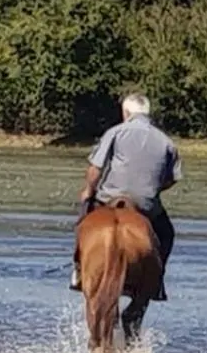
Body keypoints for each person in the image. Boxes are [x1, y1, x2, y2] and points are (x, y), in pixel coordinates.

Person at [69, 93, 182, 300]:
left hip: (109, 197)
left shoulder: (115, 132)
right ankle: (156, 282)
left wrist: (88, 190)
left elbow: (96, 168)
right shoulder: (166, 141)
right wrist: (151, 190)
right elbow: (172, 179)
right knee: (167, 234)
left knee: (83, 223)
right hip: (145, 204)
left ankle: (78, 270)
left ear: (126, 112)